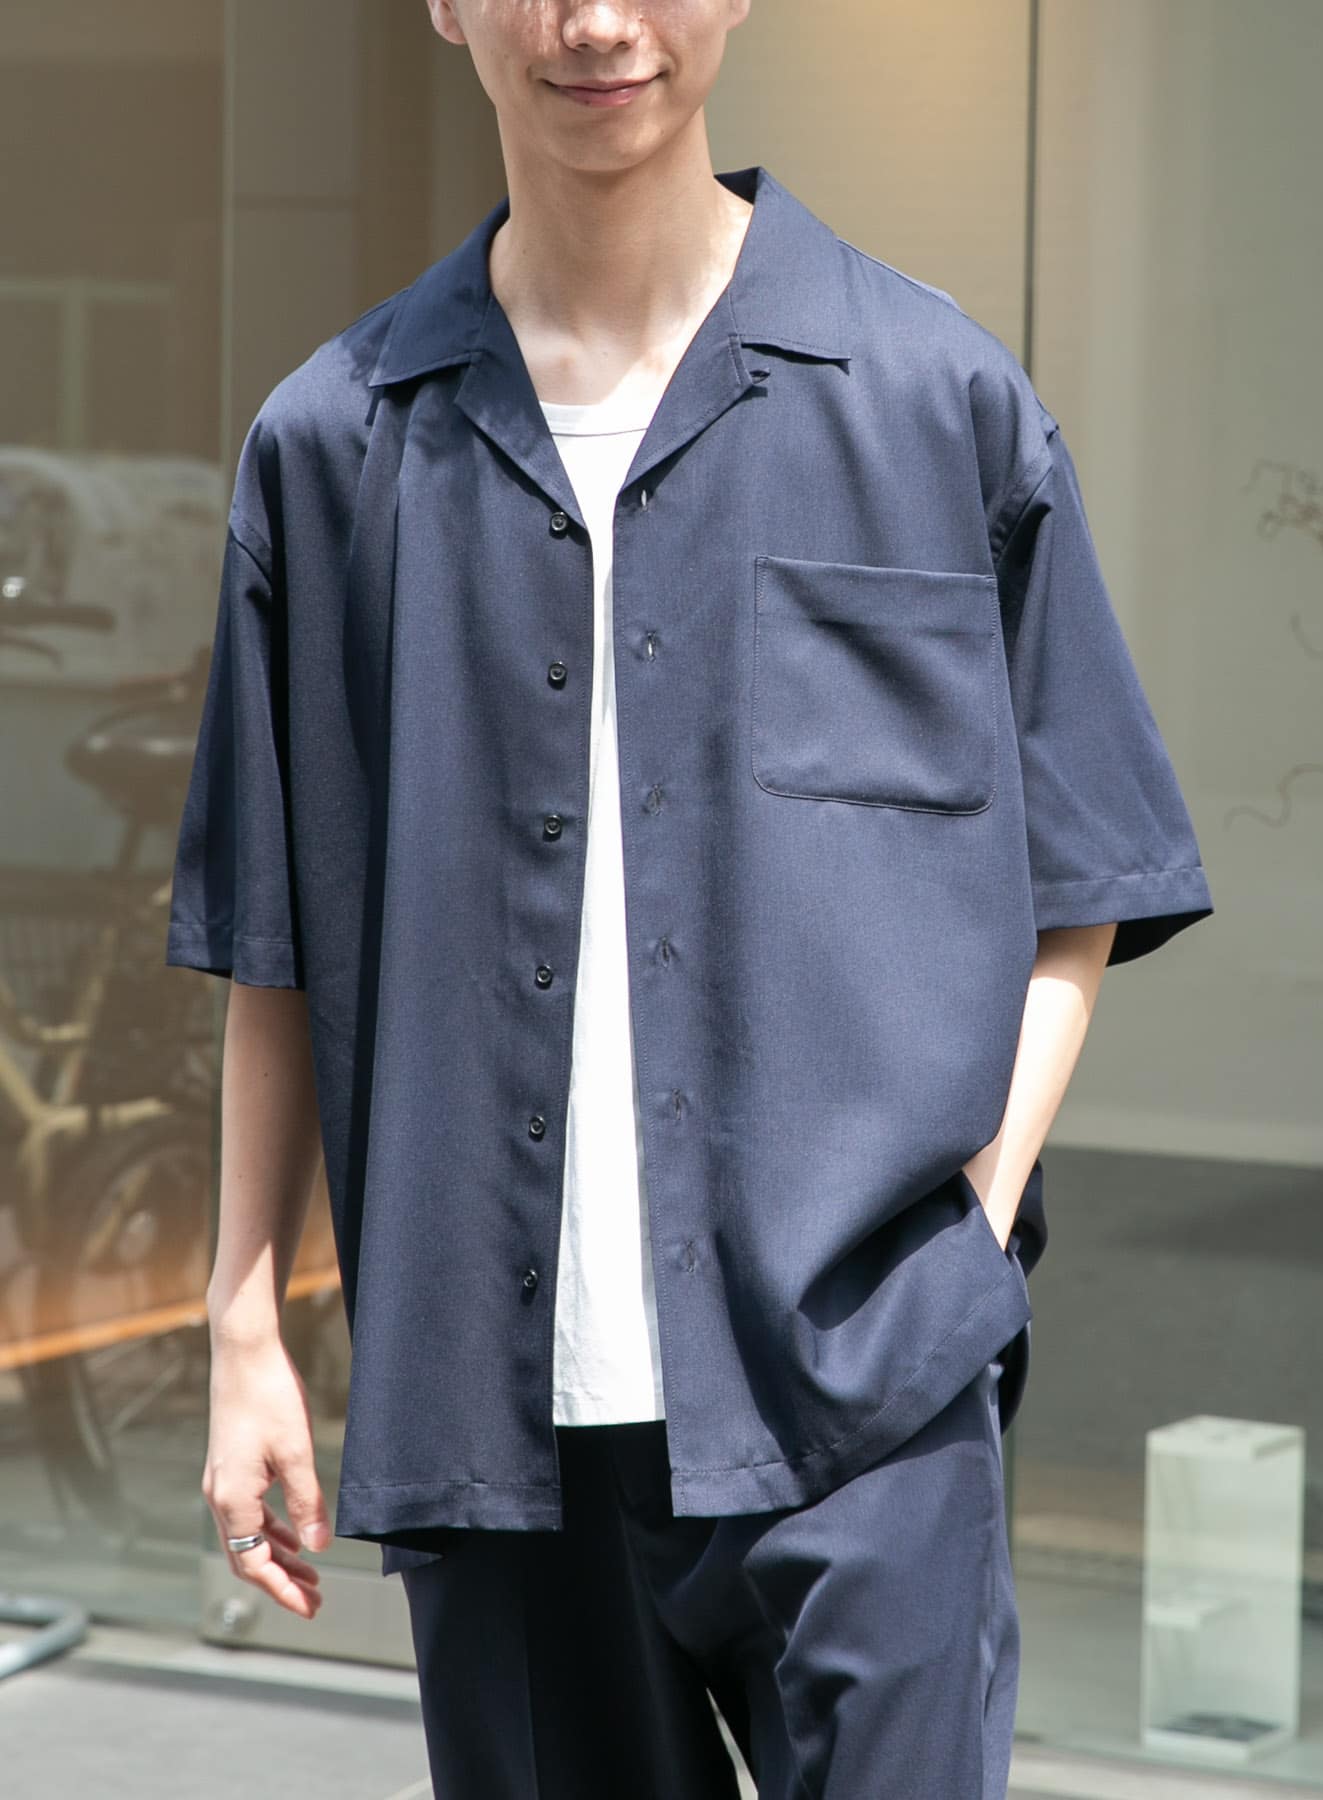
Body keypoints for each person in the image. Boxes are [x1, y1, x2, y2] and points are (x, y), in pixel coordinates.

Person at [169, 1, 1213, 1794]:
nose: (595, 22)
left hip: (860, 1399)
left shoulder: (934, 398)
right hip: (496, 1433)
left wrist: (970, 1223)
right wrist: (244, 1327)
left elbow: (1081, 872)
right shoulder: (336, 443)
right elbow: (278, 935)